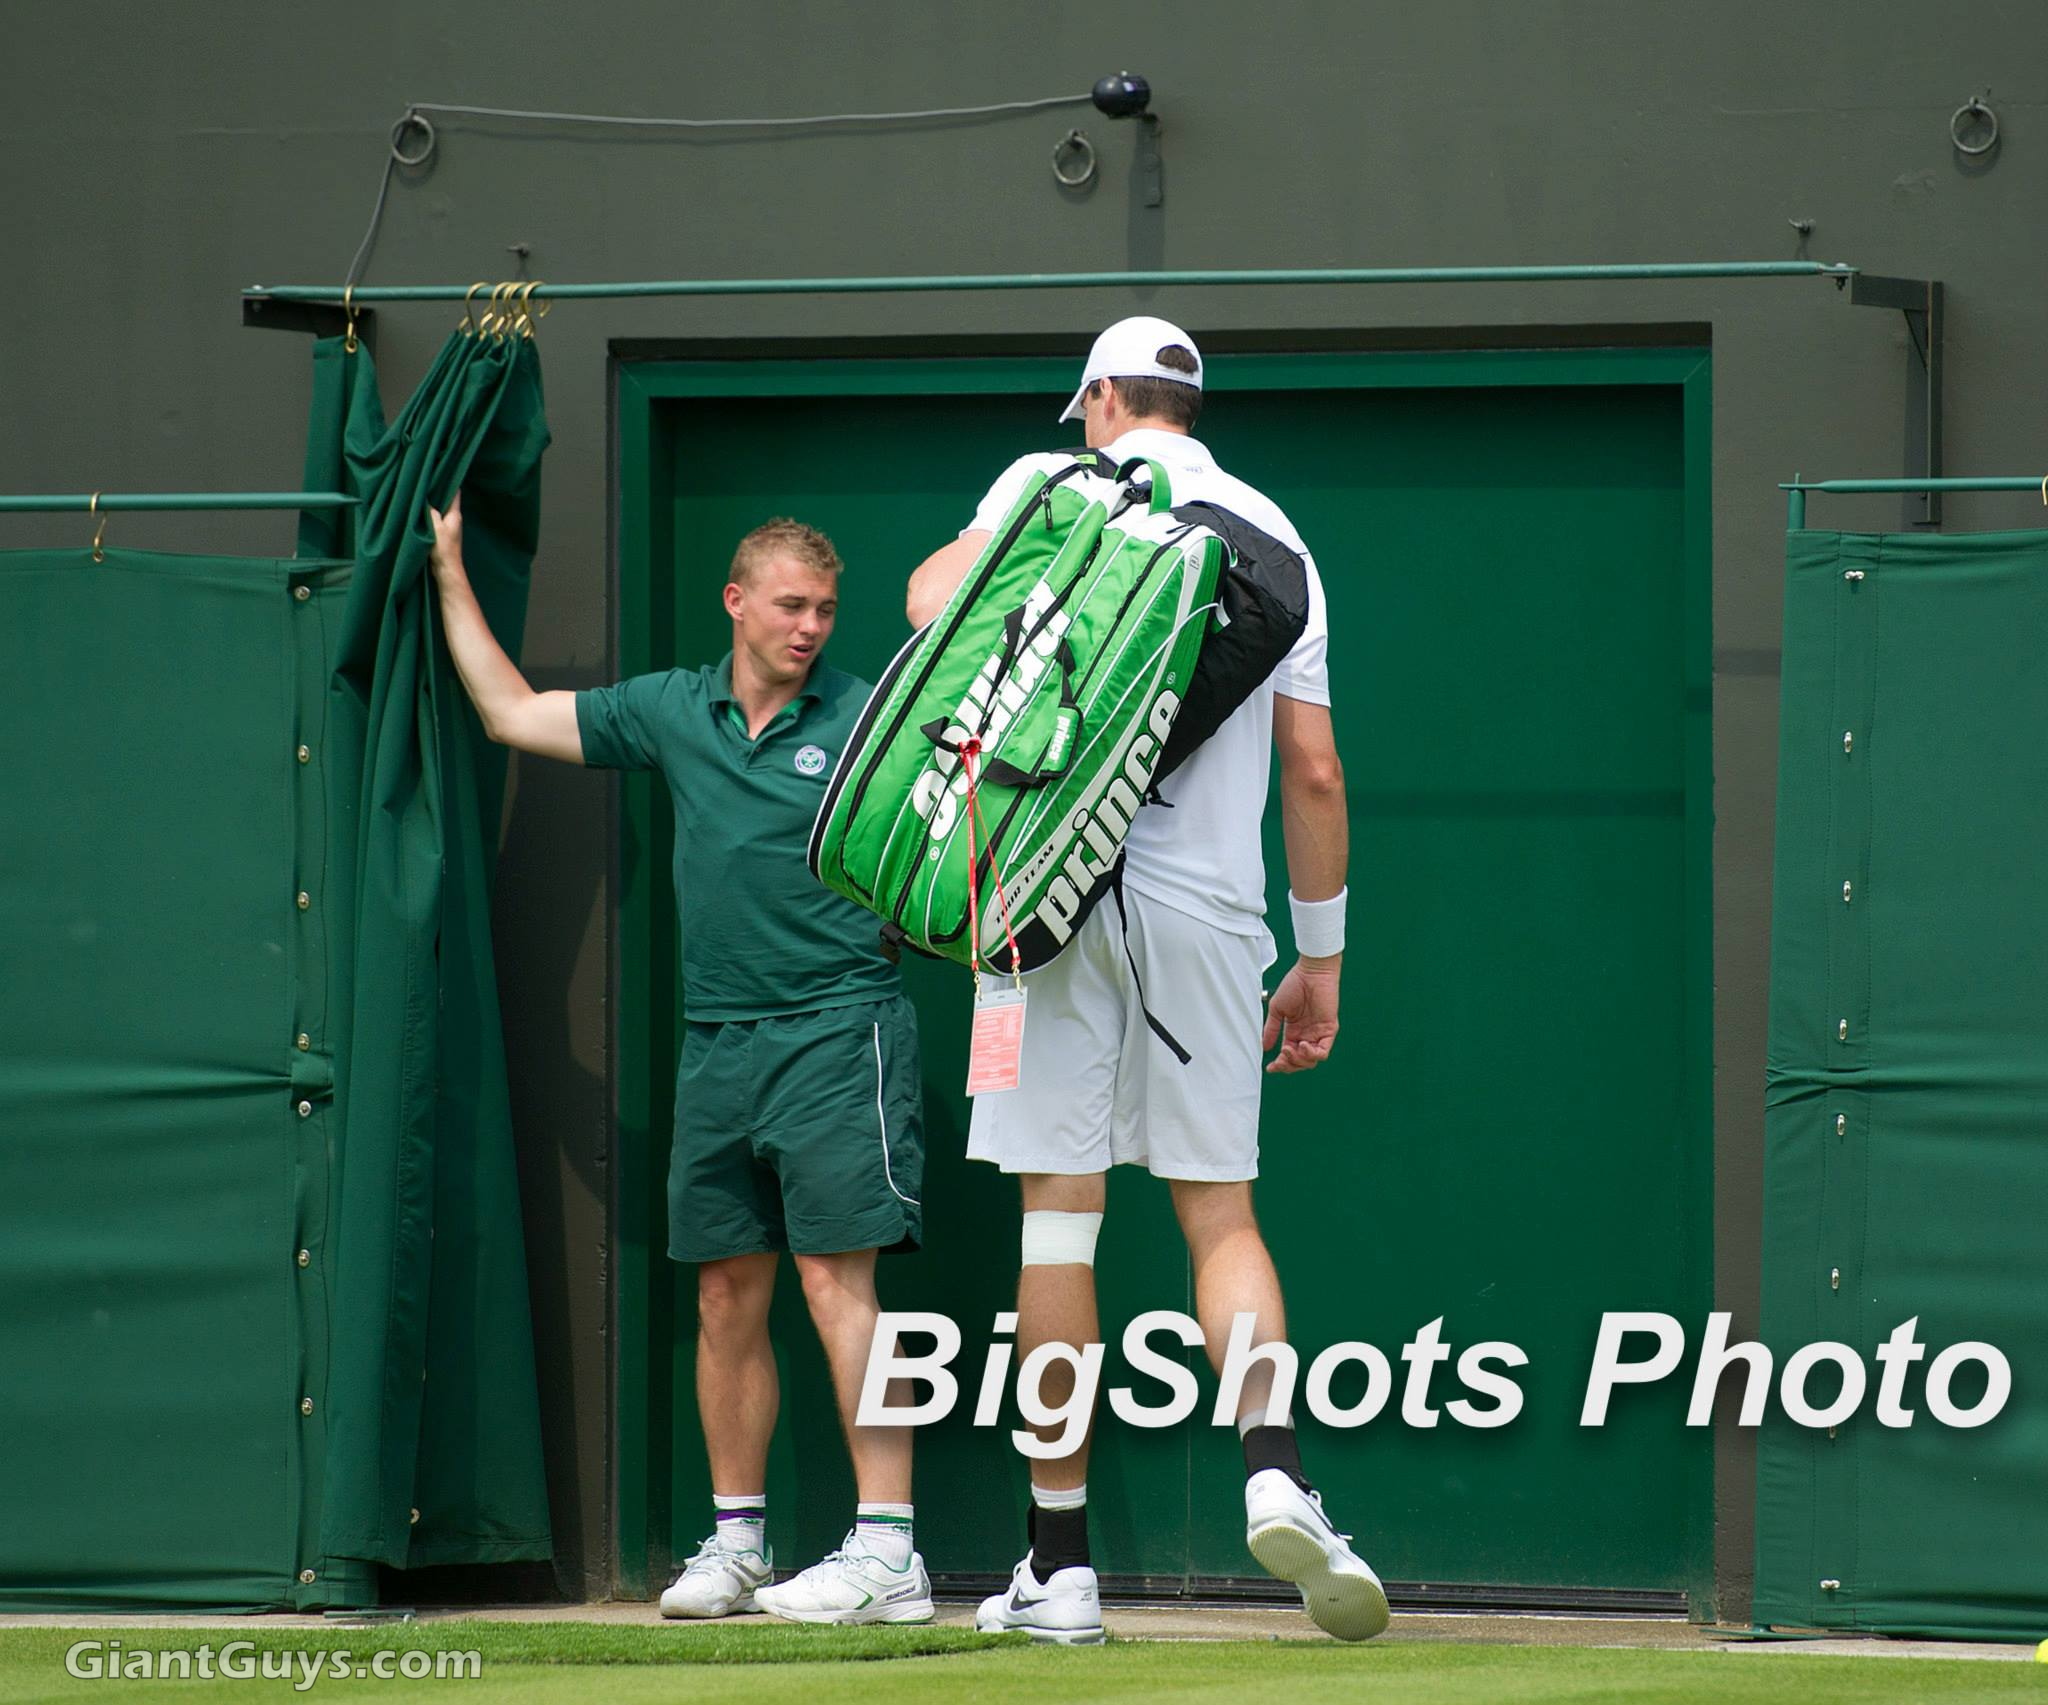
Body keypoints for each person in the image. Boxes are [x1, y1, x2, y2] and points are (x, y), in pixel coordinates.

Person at [904, 315, 1384, 1645]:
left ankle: (1057, 1566)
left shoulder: (1046, 484)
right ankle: (1277, 1472)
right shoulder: (1274, 528)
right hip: (1215, 913)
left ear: (1107, 398)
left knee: (1058, 1224)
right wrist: (1322, 958)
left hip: (1039, 900)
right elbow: (1317, 771)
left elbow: (931, 605)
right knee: (1219, 1218)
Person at [428, 504, 933, 1627]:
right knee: (722, 1293)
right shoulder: (670, 706)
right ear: (736, 602)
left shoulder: (865, 716)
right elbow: (510, 712)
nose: (810, 627)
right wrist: (448, 569)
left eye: (825, 610)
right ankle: (740, 1542)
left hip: (837, 1026)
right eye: (791, 606)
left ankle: (890, 1550)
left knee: (836, 1286)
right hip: (718, 1041)